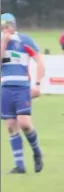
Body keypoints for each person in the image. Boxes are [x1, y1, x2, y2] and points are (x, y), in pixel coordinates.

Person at [1, 13, 45, 174]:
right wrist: (4, 43)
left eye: (7, 26)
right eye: (2, 26)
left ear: (13, 26)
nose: (5, 29)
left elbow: (39, 61)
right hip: (5, 87)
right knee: (11, 126)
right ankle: (19, 165)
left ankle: (37, 151)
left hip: (22, 87)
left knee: (25, 124)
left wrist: (38, 84)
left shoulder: (24, 40)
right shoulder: (1, 41)